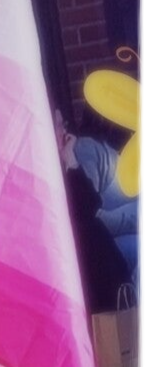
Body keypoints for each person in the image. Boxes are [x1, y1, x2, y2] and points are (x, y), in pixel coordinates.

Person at [56, 110, 134, 311]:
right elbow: (88, 210)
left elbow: (89, 206)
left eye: (64, 123)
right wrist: (71, 159)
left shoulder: (75, 155)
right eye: (60, 125)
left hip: (109, 259)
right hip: (109, 281)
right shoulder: (78, 154)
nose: (65, 130)